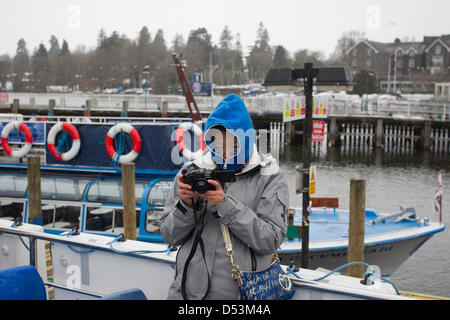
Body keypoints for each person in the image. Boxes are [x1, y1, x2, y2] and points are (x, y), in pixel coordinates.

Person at [160, 93, 289, 300]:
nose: (226, 152)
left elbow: (270, 239)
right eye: (218, 144)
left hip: (240, 295)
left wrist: (224, 205)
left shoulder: (269, 175)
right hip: (187, 294)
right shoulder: (191, 171)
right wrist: (186, 206)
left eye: (234, 144)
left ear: (247, 138)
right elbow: (169, 236)